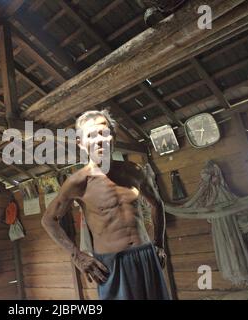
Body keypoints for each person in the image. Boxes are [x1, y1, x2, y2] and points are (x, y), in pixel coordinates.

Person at [41, 110, 170, 300]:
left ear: (113, 137)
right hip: (112, 264)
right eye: (91, 136)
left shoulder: (133, 172)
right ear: (81, 143)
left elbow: (157, 204)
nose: (99, 140)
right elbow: (48, 220)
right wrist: (78, 256)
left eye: (103, 132)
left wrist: (159, 244)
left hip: (146, 256)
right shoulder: (78, 182)